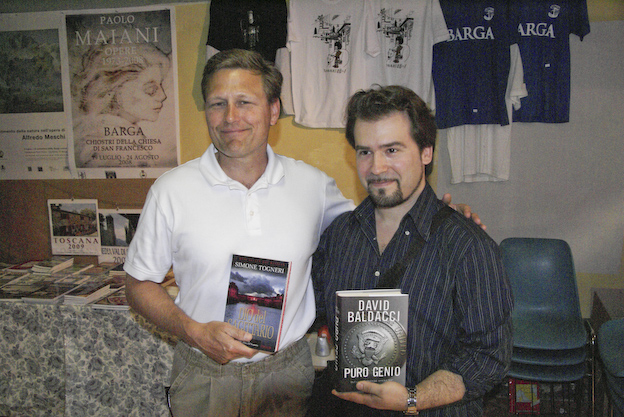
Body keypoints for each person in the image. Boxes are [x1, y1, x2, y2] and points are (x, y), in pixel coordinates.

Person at [124, 49, 483, 417]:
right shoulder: (171, 191)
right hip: (205, 377)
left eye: (245, 102)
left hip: (288, 379)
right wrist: (192, 331)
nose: (230, 117)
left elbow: (379, 217)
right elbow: (137, 284)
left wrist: (442, 215)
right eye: (218, 103)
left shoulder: (312, 186)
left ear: (273, 111)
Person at [312, 85, 514, 416]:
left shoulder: (468, 246)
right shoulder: (339, 236)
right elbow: (314, 308)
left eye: (392, 150)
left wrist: (412, 398)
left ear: (426, 153)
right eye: (365, 152)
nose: (377, 167)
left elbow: (489, 356)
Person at [71, 42, 174, 168]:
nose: (162, 96)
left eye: (160, 85)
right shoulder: (111, 149)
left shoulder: (106, 132)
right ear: (117, 93)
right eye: (151, 90)